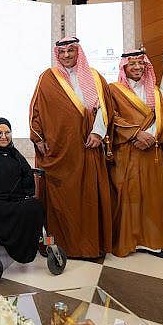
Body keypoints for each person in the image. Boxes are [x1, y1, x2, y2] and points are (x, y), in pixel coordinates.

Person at [29, 36, 113, 258]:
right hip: (57, 151)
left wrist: (97, 132)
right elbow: (35, 110)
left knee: (87, 198)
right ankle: (59, 245)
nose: (66, 55)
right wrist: (38, 138)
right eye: (62, 52)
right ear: (57, 54)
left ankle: (89, 246)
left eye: (71, 51)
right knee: (60, 201)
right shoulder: (47, 77)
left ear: (78, 52)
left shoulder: (95, 77)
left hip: (87, 148)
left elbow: (104, 109)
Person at [108, 50, 163, 258]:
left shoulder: (155, 91)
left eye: (140, 63)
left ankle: (151, 242)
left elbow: (162, 118)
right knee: (128, 195)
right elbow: (111, 117)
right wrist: (135, 134)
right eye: (132, 64)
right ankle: (128, 241)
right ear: (124, 67)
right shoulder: (113, 90)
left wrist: (151, 136)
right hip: (127, 151)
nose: (137, 67)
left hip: (152, 151)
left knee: (152, 196)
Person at [0, 118, 43, 263]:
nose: (4, 136)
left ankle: (26, 248)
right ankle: (15, 245)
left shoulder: (14, 154)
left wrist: (26, 192)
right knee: (3, 210)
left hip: (15, 200)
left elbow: (27, 171)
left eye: (7, 132)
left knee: (35, 205)